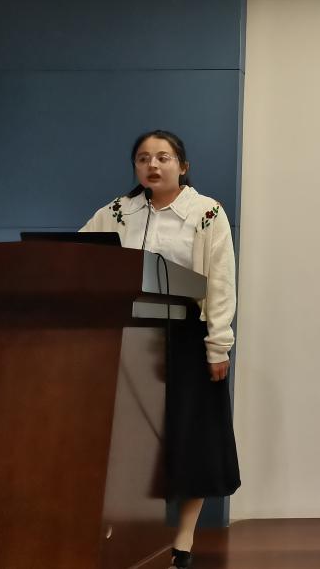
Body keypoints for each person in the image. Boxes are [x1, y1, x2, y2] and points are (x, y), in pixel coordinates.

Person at [81, 130, 240, 568]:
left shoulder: (206, 212)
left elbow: (221, 282)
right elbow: (76, 254)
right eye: (143, 158)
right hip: (127, 338)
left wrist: (218, 345)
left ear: (182, 166)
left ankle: (184, 541)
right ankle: (125, 534)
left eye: (163, 157)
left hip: (185, 337)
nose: (152, 165)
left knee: (193, 437)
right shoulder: (118, 211)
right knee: (130, 442)